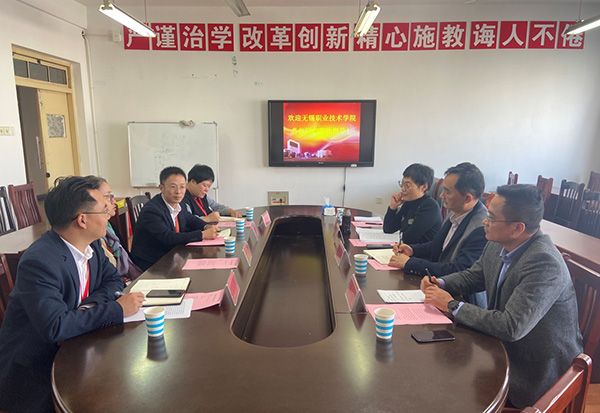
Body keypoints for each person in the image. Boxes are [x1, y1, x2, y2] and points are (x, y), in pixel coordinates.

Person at [421, 184, 583, 408]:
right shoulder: (498, 243)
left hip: (534, 372)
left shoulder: (544, 262)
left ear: (517, 228)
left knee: (448, 389)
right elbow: (475, 275)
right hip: (499, 348)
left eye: (491, 217)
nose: (484, 222)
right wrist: (440, 283)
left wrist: (451, 305)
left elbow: (511, 327)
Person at [0, 176, 144, 413]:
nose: (109, 214)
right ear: (82, 219)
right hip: (36, 370)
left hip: (78, 347)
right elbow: (56, 326)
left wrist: (85, 310)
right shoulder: (40, 261)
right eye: (103, 209)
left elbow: (113, 280)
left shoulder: (92, 246)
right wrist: (116, 309)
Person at [389, 162, 488, 307]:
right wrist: (412, 250)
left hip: (461, 301)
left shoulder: (481, 228)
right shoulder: (456, 211)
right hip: (438, 287)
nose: (441, 195)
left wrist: (410, 263)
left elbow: (458, 270)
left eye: (447, 192)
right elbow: (437, 245)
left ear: (467, 198)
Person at [131, 166, 219, 271]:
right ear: (161, 188)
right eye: (173, 187)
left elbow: (190, 218)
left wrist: (206, 226)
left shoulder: (178, 204)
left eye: (182, 187)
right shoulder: (152, 210)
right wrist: (202, 235)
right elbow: (168, 237)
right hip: (152, 264)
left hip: (171, 256)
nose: (178, 192)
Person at [90, 176, 142, 282]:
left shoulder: (109, 226)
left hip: (123, 278)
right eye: (108, 196)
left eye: (112, 196)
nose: (114, 201)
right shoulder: (94, 236)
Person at [383, 163, 441, 244]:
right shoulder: (409, 202)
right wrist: (392, 208)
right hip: (407, 250)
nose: (403, 189)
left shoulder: (430, 207)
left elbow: (409, 238)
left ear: (424, 187)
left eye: (407, 185)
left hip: (420, 252)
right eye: (402, 184)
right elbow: (388, 229)